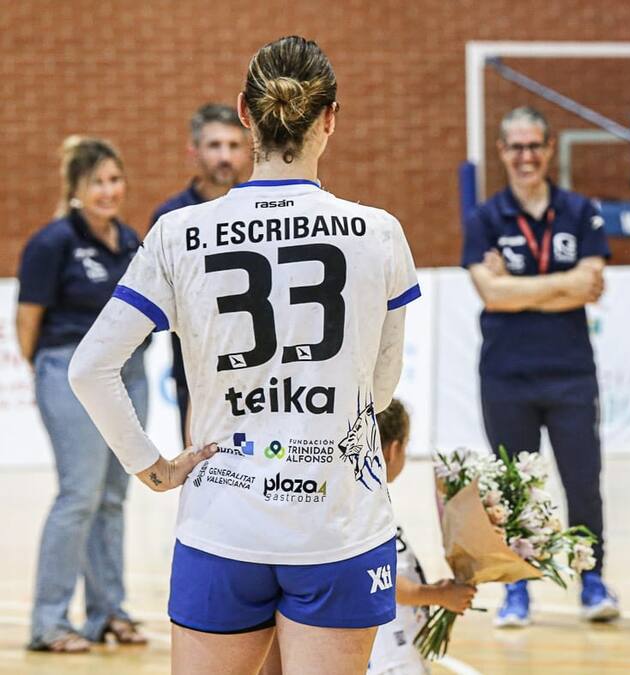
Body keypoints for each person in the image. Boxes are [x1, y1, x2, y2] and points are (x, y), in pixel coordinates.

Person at [68, 35, 420, 675]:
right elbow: (380, 388)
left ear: (244, 114)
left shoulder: (180, 232)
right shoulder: (381, 232)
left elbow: (89, 368)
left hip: (223, 525)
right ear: (331, 119)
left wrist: (153, 469)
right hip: (337, 523)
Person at [461, 106, 618, 627]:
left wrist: (517, 290)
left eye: (535, 146)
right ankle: (518, 588)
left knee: (582, 480)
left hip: (571, 372)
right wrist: (561, 285)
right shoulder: (484, 218)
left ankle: (592, 579)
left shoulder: (580, 211)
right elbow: (491, 294)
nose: (526, 156)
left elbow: (591, 284)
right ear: (502, 152)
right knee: (512, 488)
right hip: (506, 375)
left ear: (549, 149)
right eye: (516, 147)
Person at [17, 136, 150, 653]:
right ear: (75, 188)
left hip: (129, 371)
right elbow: (27, 322)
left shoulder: (129, 239)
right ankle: (49, 621)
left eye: (115, 179)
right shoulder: (52, 243)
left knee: (114, 495)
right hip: (70, 370)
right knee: (79, 494)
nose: (108, 190)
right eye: (97, 181)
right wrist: (53, 371)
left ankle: (108, 612)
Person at [260, 400, 477, 675]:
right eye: (406, 445)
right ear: (393, 449)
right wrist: (438, 595)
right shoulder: (360, 511)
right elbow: (379, 576)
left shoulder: (352, 500)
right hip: (382, 652)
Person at [150, 103, 251, 444]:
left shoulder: (262, 211)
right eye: (214, 145)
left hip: (263, 370)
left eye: (234, 146)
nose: (225, 156)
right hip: (194, 372)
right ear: (194, 151)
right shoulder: (170, 218)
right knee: (200, 473)